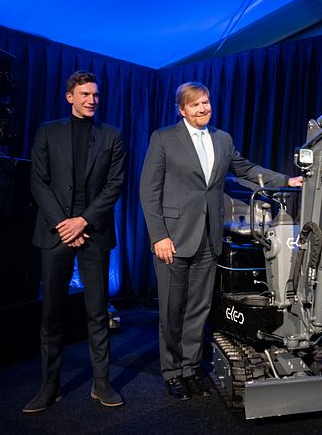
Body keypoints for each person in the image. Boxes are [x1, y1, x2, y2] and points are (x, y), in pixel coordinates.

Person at [140, 82, 302, 400]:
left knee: (199, 308)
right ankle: (172, 372)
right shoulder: (163, 138)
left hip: (209, 237)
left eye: (206, 102)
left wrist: (285, 180)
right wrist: (159, 235)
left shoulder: (222, 139)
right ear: (181, 110)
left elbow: (245, 169)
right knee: (172, 310)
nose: (203, 108)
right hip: (172, 239)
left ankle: (190, 368)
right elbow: (149, 192)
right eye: (196, 104)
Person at [24, 71, 126, 413]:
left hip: (94, 234)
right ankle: (49, 387)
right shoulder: (47, 131)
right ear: (70, 97)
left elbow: (114, 186)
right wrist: (63, 224)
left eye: (95, 94)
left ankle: (101, 384)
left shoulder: (112, 136)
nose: (91, 100)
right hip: (55, 234)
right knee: (51, 314)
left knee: (97, 313)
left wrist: (83, 221)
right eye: (84, 94)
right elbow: (39, 182)